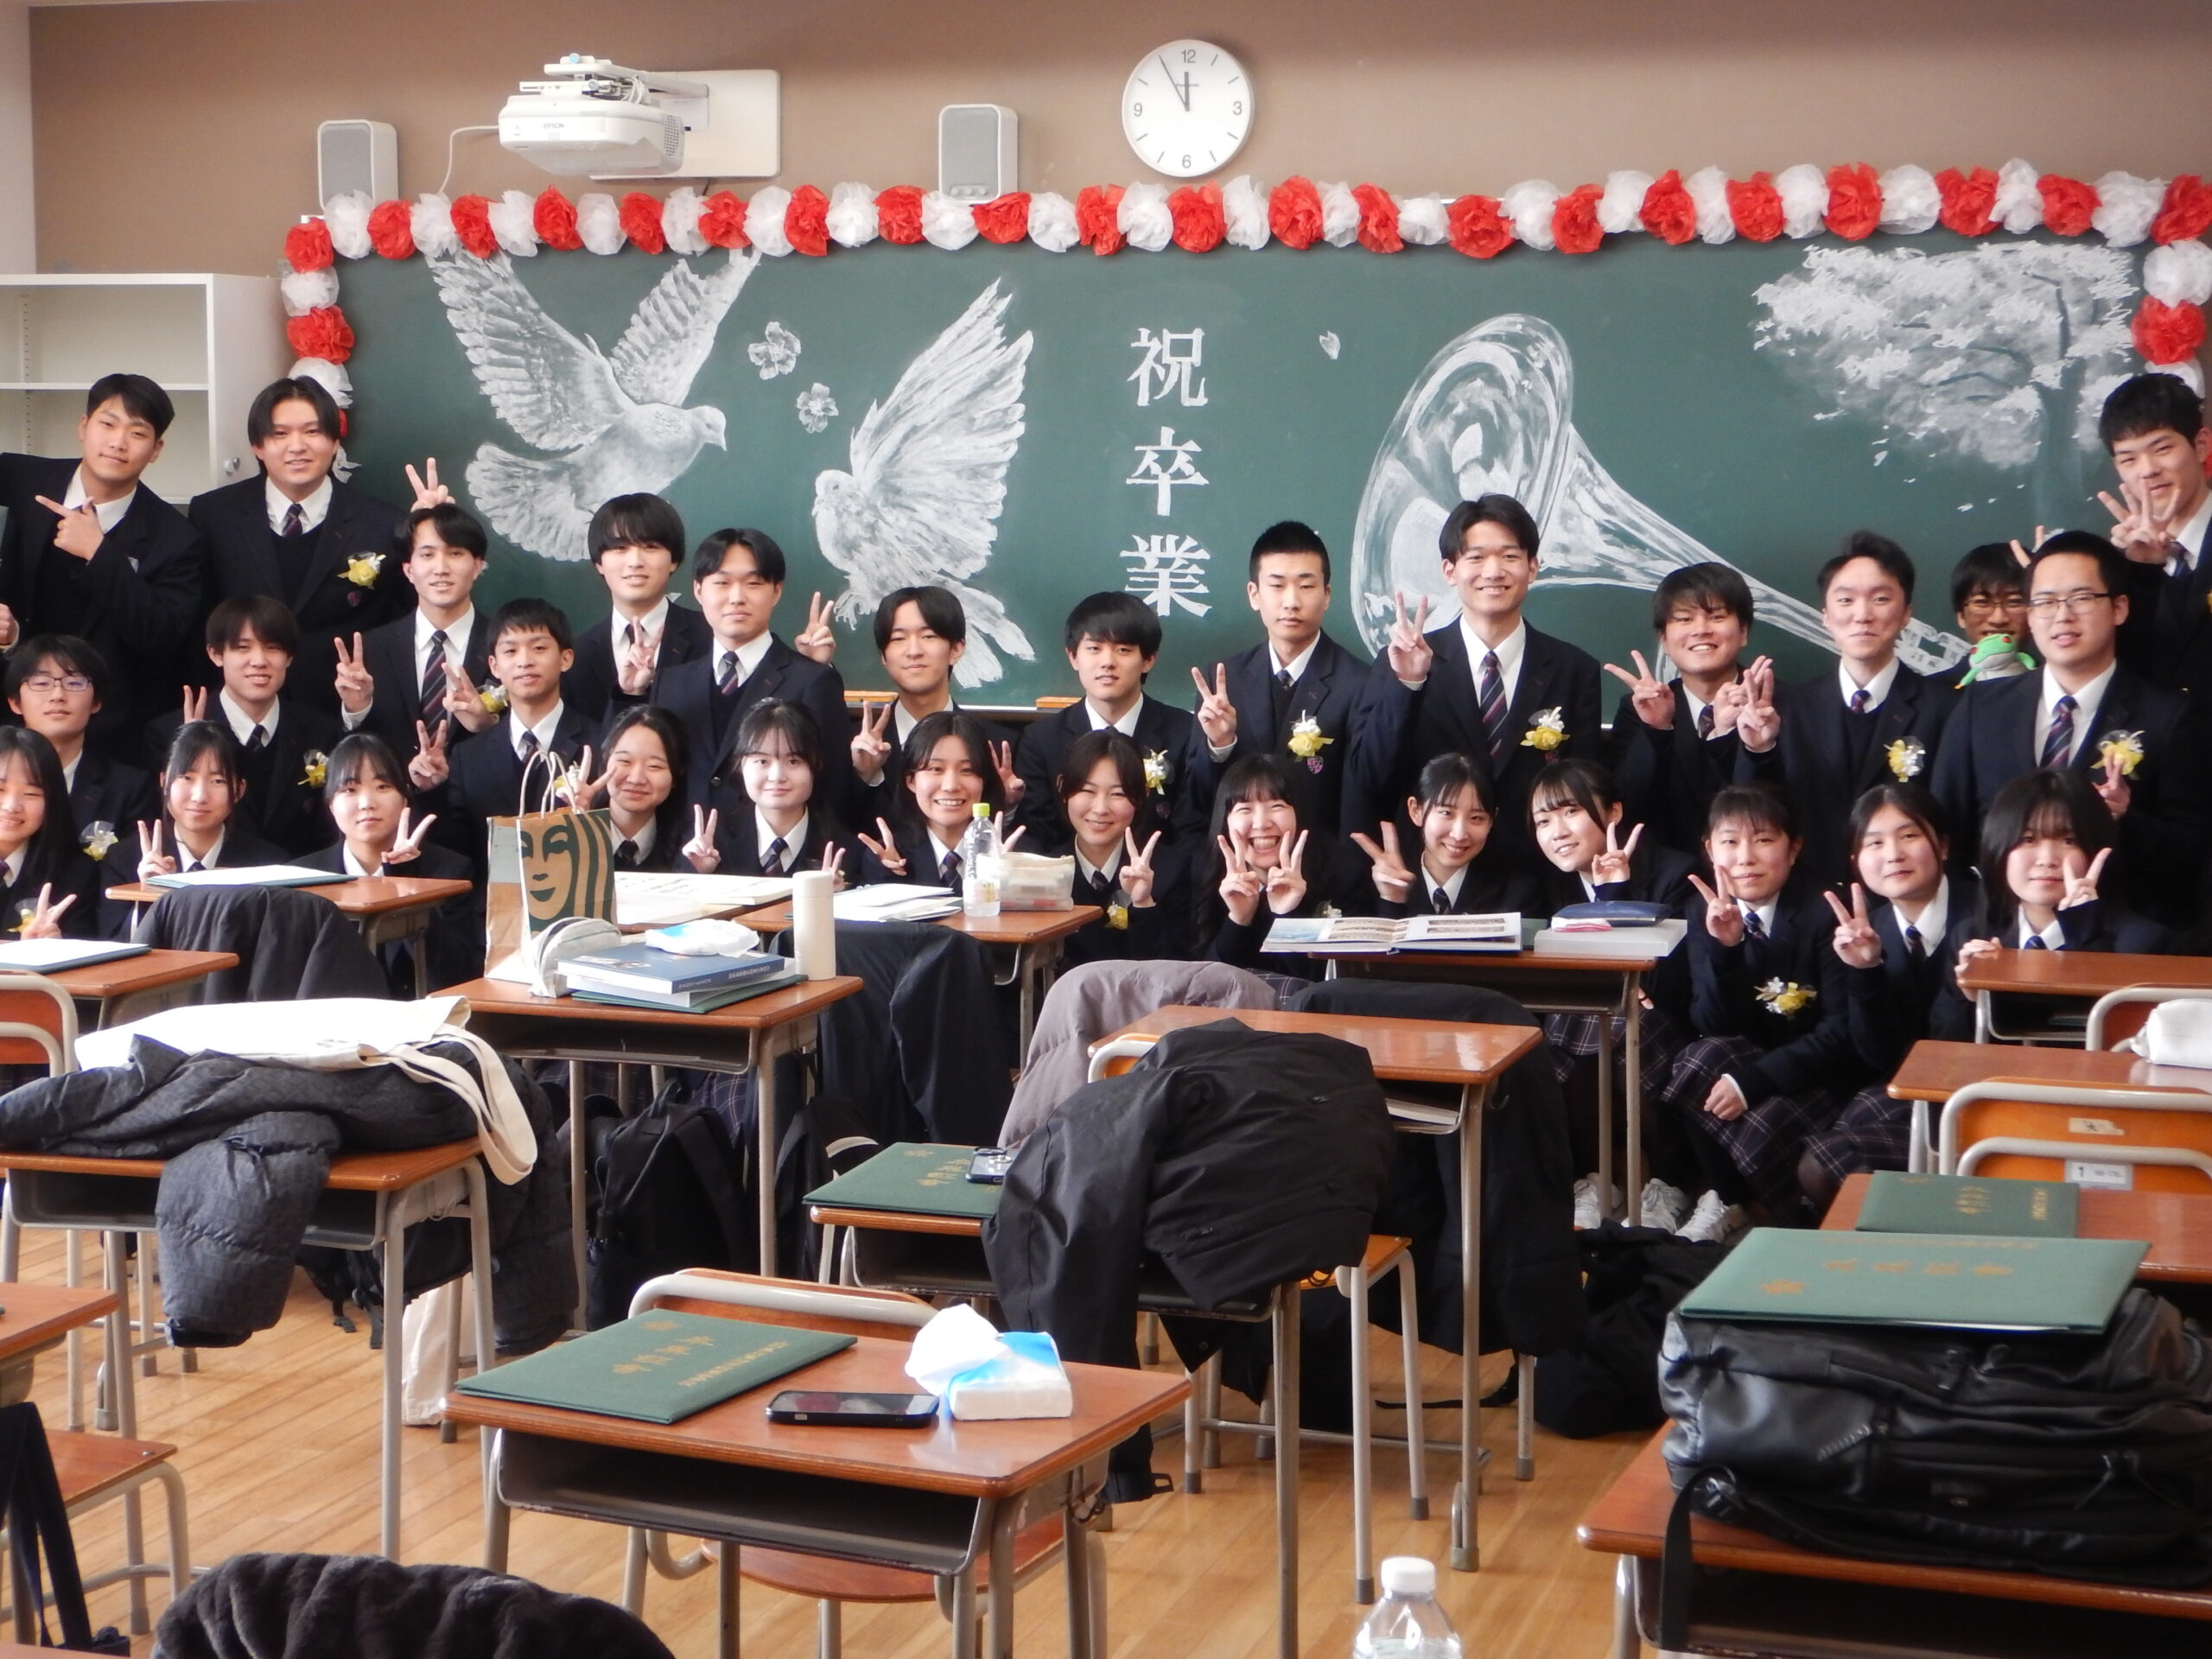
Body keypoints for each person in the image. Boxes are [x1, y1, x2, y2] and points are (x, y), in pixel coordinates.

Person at [1929, 531, 2210, 928]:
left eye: (2081, 598)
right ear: (2030, 614)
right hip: (2001, 938)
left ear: (2119, 608)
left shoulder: (2168, 715)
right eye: (2045, 601)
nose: (2063, 616)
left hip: (2119, 942)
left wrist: (2125, 817)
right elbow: (1945, 831)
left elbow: (2193, 851)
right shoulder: (1982, 708)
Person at [1356, 493, 1603, 875]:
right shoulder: (1403, 662)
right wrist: (1408, 685)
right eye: (1476, 557)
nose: (1493, 571)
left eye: (1509, 556)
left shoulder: (1574, 670)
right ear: (1449, 570)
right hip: (1433, 874)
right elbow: (1371, 777)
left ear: (1532, 567)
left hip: (1538, 878)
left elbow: (1586, 791)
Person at [1660, 783, 1864, 1232]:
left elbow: (1841, 1032)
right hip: (1747, 1056)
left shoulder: (1825, 911)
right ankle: (1727, 1198)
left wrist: (1753, 1081)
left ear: (1794, 849)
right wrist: (1725, 950)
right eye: (1730, 842)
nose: (1745, 858)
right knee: (1694, 1061)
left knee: (1763, 1121)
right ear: (1709, 850)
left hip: (1817, 1072)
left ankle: (1782, 1216)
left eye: (1763, 840)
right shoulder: (1704, 910)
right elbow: (1710, 1023)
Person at [1525, 756, 1694, 1224]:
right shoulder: (1553, 885)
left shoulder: (1672, 873)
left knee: (1614, 1019)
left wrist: (1614, 896)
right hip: (1589, 1022)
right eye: (1543, 821)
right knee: (1566, 1023)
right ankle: (1597, 1179)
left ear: (1613, 812)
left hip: (1673, 1022)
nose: (1558, 832)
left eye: (1571, 812)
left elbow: (1671, 984)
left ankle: (1667, 1184)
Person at [1794, 783, 1978, 1210]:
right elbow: (1876, 1055)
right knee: (1826, 1151)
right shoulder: (1866, 930)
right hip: (1902, 1091)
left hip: (1975, 1090)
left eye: (1908, 835)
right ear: (1856, 862)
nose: (1893, 854)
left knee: (1831, 1156)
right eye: (1874, 843)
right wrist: (1866, 970)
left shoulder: (1986, 915)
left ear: (1943, 845)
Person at [1735, 532, 1955, 887]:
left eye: (1880, 599)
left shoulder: (1945, 709)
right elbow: (1754, 814)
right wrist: (1759, 749)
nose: (1862, 615)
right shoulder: (1788, 708)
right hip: (1810, 901)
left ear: (1906, 614)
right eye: (1846, 600)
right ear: (1826, 615)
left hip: (1908, 899)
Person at [0, 373, 207, 750]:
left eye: (137, 433)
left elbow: (160, 635)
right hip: (13, 721)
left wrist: (99, 553)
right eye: (107, 424)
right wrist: (9, 635)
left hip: (114, 734)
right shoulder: (24, 479)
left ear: (156, 449)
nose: (118, 442)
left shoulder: (177, 538)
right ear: (83, 426)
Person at [188, 377, 418, 713]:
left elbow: (408, 626)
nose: (297, 446)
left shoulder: (382, 523)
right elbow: (197, 617)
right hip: (239, 712)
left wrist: (433, 536)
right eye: (280, 434)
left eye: (312, 432)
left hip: (342, 712)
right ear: (257, 446)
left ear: (335, 441)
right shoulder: (214, 515)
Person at [1185, 520, 1374, 836]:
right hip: (1237, 860)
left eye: (1306, 586)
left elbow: (1360, 800)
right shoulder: (1221, 682)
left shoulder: (1359, 683)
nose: (1291, 602)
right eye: (1277, 585)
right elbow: (1198, 801)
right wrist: (1220, 745)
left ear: (1327, 595)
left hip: (1319, 860)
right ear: (1254, 594)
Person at [650, 527, 849, 812]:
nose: (736, 597)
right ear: (698, 591)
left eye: (753, 583)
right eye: (722, 583)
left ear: (776, 591)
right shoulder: (670, 683)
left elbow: (833, 790)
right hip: (688, 840)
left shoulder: (813, 681)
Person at [144, 596, 344, 857]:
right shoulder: (168, 733)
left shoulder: (321, 732)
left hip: (302, 875)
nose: (259, 660)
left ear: (289, 657)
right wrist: (190, 748)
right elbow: (162, 825)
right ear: (216, 654)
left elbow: (330, 830)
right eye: (242, 648)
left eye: (272, 647)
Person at [410, 597, 592, 878]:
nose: (525, 661)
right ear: (494, 666)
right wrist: (432, 791)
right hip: (490, 902)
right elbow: (453, 850)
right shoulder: (468, 757)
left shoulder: (598, 743)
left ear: (565, 658)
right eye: (511, 651)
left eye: (539, 648)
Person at [1011, 592, 1199, 855]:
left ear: (1148, 660)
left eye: (1123, 650)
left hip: (1162, 878)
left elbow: (1191, 833)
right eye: (1094, 649)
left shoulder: (1185, 733)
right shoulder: (1041, 740)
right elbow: (1039, 836)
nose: (1108, 662)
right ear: (1073, 657)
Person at [297, 732, 475, 992]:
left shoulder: (450, 872)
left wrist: (408, 883)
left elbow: (457, 977)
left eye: (382, 787)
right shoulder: (302, 881)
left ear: (404, 798)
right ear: (331, 805)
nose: (367, 803)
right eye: (350, 789)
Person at [1602, 563, 1758, 855]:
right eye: (1684, 619)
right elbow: (1627, 808)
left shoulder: (1778, 706)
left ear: (1743, 631)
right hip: (1668, 876)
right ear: (1664, 638)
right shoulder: (1639, 711)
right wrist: (1657, 731)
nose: (1701, 630)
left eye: (1717, 617)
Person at [336, 501, 496, 762]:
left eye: (455, 553)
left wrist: (487, 726)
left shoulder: (504, 646)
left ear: (477, 567)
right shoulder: (372, 649)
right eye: (427, 555)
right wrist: (357, 709)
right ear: (408, 570)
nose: (441, 568)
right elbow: (356, 749)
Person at [849, 585, 1020, 820]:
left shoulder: (999, 746)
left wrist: (1007, 805)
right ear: (884, 656)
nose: (913, 651)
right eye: (898, 638)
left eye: (928, 636)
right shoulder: (854, 745)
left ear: (956, 649)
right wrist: (866, 776)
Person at [2097, 372, 2212, 709]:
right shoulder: (2118, 569)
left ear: (2201, 445)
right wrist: (2139, 571)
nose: (2147, 470)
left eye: (2161, 449)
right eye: (2128, 459)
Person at [5, 637, 157, 880]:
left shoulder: (129, 789)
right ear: (15, 702)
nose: (58, 695)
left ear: (96, 702)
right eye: (41, 683)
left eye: (74, 683)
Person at [1194, 754, 1357, 976]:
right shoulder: (1206, 874)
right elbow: (1205, 983)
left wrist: (1286, 916)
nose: (1262, 823)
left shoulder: (1341, 874)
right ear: (1225, 821)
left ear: (1300, 813)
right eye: (1245, 809)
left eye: (1277, 806)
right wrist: (1238, 920)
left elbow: (1330, 983)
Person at [562, 493, 714, 723]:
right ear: (599, 563)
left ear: (673, 560)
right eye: (620, 548)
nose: (635, 562)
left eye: (650, 547)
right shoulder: (575, 657)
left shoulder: (712, 637)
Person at [1351, 751, 1537, 918]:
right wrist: (1392, 901)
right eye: (1446, 813)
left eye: (1476, 818)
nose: (1459, 834)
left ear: (1491, 820)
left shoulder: (1517, 892)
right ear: (1416, 811)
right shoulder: (1376, 882)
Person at [1053, 729, 1185, 965]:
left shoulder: (1171, 872)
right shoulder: (1045, 873)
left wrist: (1144, 904)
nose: (1100, 808)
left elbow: (1176, 970)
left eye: (1118, 793)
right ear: (1063, 788)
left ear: (1142, 796)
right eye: (1087, 791)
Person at [856, 711, 1007, 890]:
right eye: (936, 769)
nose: (951, 786)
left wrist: (1009, 879)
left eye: (967, 770)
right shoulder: (886, 858)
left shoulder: (1016, 855)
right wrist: (890, 882)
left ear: (984, 781)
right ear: (911, 780)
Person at [704, 700, 854, 879]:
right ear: (741, 766)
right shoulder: (711, 844)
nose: (776, 776)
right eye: (762, 761)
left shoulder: (848, 851)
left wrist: (836, 894)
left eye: (793, 762)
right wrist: (699, 873)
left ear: (816, 766)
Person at [130, 721, 287, 881]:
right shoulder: (125, 862)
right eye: (186, 778)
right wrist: (147, 891)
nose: (199, 797)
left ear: (239, 790)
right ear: (164, 782)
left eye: (218, 781)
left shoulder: (269, 867)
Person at [568, 704, 707, 874]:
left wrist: (698, 873)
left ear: (675, 775)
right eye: (625, 761)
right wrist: (575, 828)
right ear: (605, 762)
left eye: (654, 766)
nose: (636, 779)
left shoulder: (689, 846)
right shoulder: (571, 824)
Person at [0, 728, 101, 941]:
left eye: (31, 794)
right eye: (0, 790)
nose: (11, 806)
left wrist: (54, 946)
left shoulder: (75, 875)